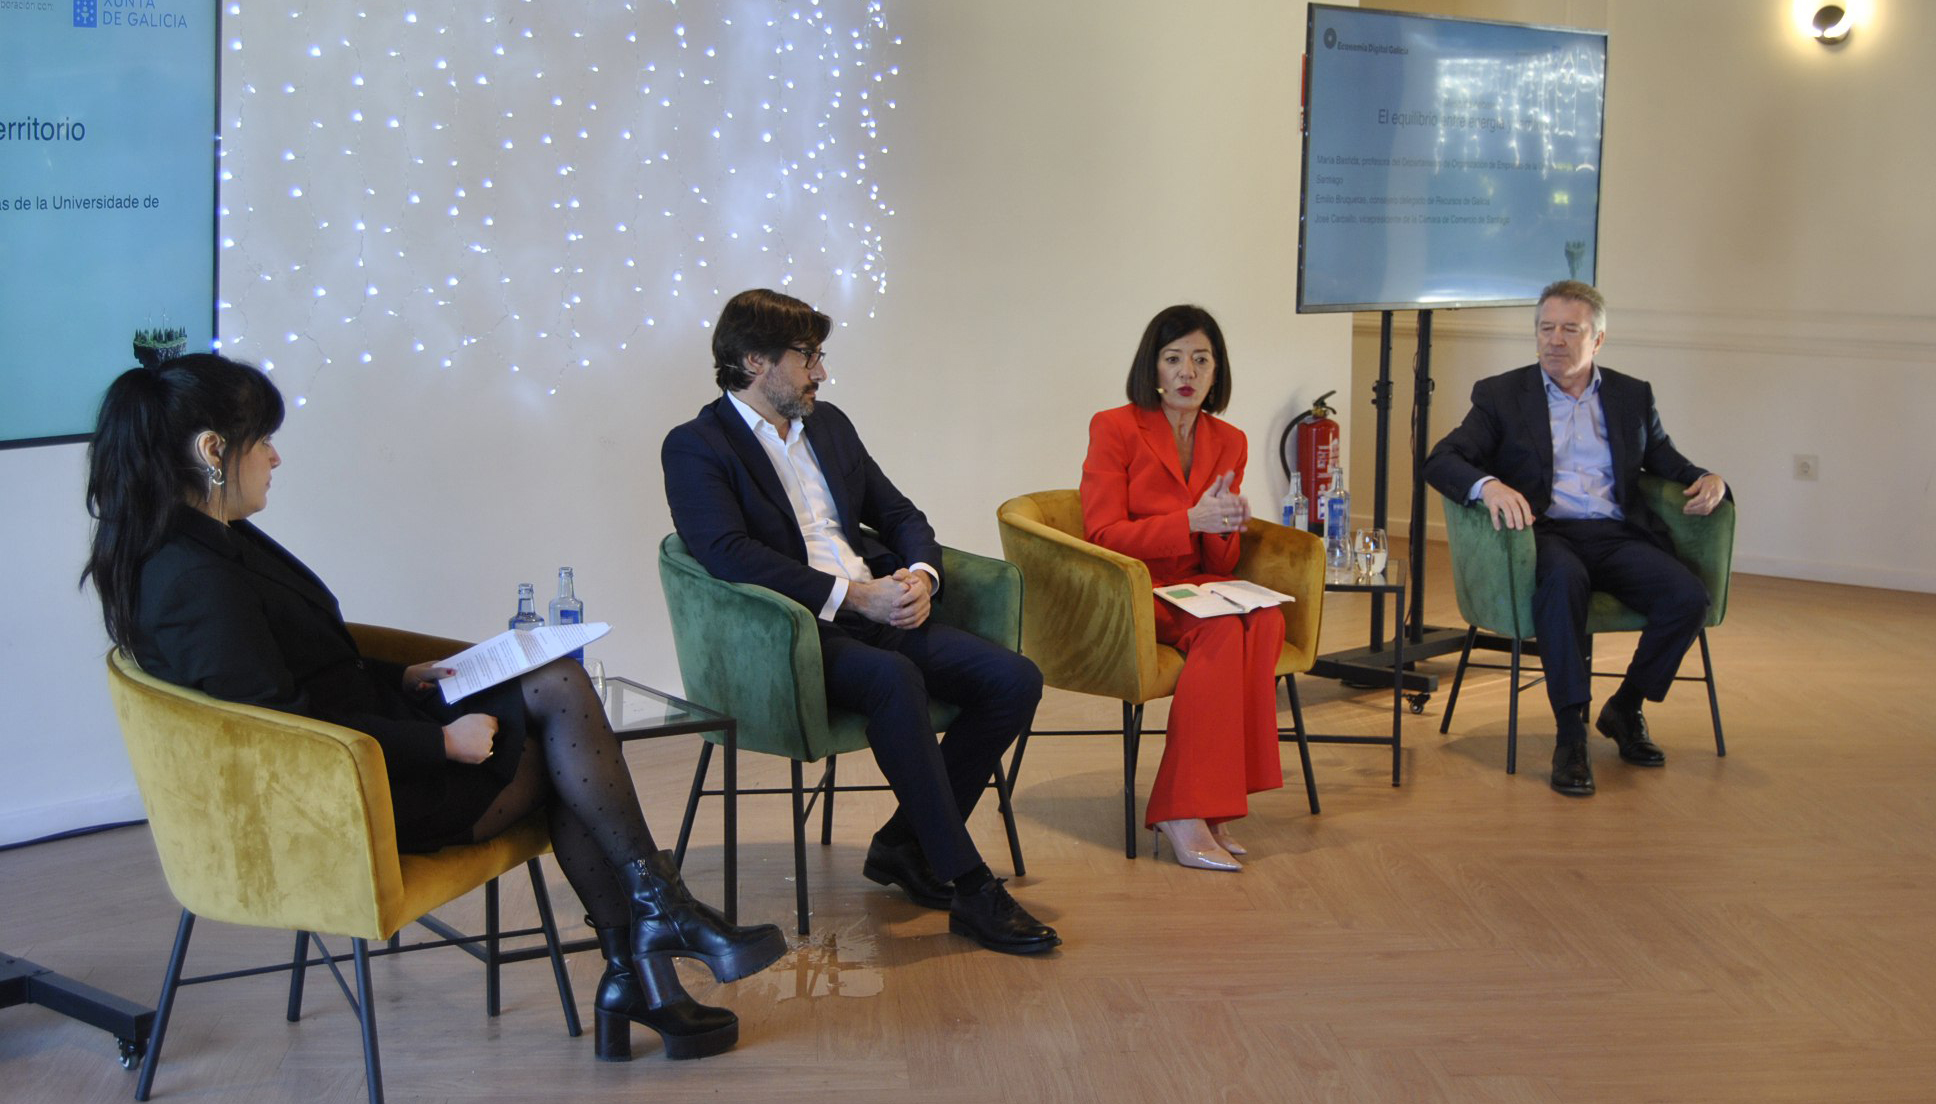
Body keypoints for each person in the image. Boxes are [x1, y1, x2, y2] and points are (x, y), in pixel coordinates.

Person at [82, 354, 786, 1063]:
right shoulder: (191, 579)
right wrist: (441, 746)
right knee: (569, 758)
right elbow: (282, 731)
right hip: (341, 799)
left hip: (363, 748)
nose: (275, 456)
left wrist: (404, 673)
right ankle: (649, 954)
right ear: (211, 450)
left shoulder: (205, 537)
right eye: (261, 439)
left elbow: (308, 660)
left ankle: (642, 959)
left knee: (556, 691)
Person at [661, 288, 1059, 956]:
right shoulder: (696, 446)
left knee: (1014, 679)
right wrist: (853, 598)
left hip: (880, 609)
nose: (821, 372)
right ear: (753, 360)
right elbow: (726, 554)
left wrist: (919, 577)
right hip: (794, 637)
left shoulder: (830, 425)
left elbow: (900, 513)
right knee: (893, 679)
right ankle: (967, 882)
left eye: (820, 356)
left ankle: (905, 845)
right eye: (807, 357)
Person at [1424, 280, 1727, 797]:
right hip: (1545, 534)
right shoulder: (1501, 394)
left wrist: (1710, 478)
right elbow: (1442, 459)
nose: (1555, 340)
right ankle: (1571, 734)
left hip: (1616, 534)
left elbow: (1667, 461)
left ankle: (1625, 707)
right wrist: (1489, 485)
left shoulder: (1633, 395)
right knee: (1563, 582)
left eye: (1570, 329)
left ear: (1598, 340)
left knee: (1687, 596)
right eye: (1546, 328)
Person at [1079, 304, 1286, 872]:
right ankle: (1182, 809)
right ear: (1154, 368)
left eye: (1201, 359)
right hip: (1134, 587)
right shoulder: (1114, 427)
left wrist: (1226, 524)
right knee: (1220, 629)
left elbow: (1218, 558)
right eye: (1173, 359)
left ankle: (1218, 803)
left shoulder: (1230, 439)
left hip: (1197, 583)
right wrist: (1189, 522)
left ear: (1216, 371)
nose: (1187, 372)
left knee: (1266, 619)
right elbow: (1102, 533)